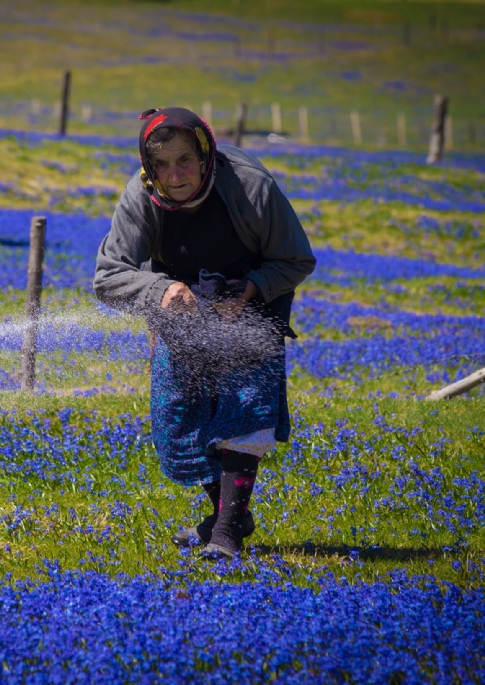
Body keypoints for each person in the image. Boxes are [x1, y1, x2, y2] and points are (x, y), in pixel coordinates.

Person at [93, 107, 315, 559]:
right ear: (148, 167)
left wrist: (251, 289)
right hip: (180, 307)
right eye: (162, 165)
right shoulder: (140, 196)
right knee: (180, 420)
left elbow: (296, 260)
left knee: (244, 408)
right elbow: (107, 276)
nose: (175, 175)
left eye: (185, 161)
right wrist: (161, 289)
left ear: (205, 152)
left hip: (250, 307)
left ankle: (228, 531)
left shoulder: (251, 186)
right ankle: (225, 512)